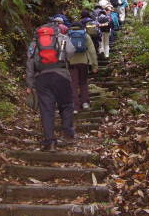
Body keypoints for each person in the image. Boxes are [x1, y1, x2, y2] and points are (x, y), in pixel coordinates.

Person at [26, 19, 76, 152]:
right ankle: (68, 133)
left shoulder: (35, 42)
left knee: (47, 110)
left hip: (42, 78)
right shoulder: (61, 37)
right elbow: (71, 51)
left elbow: (30, 63)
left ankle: (50, 142)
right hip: (61, 76)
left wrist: (29, 84)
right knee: (66, 105)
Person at [68, 22, 98, 112]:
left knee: (73, 84)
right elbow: (92, 51)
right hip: (84, 62)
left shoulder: (67, 36)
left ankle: (75, 107)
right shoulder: (85, 35)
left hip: (71, 63)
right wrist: (94, 65)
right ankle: (85, 103)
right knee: (83, 82)